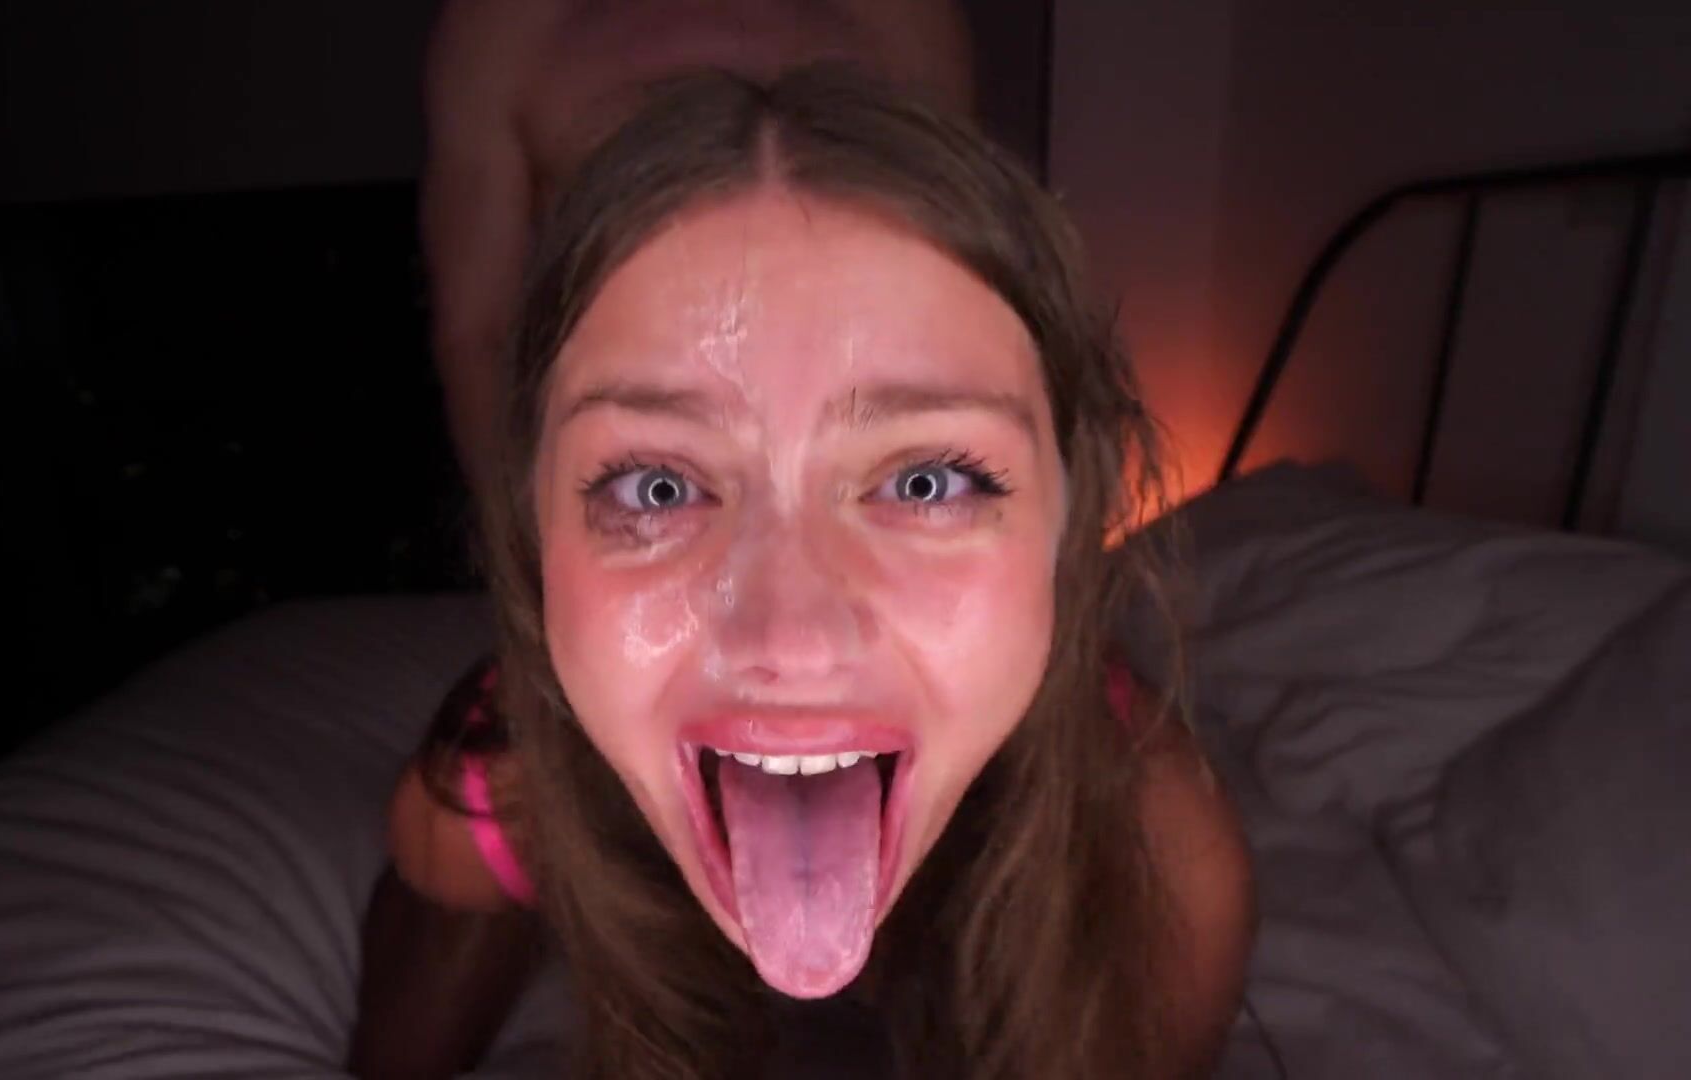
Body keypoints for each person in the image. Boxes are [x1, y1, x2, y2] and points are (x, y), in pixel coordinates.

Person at [353, 69, 1255, 1078]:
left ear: (1072, 518)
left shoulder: (1160, 862)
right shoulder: (483, 796)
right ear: (534, 533)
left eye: (925, 482)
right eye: (657, 488)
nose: (792, 642)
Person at [418, 0, 976, 500]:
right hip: (631, 440)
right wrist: (523, 541)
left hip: (855, 413)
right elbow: (479, 332)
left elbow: (957, 290)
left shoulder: (899, 16)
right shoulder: (500, 27)